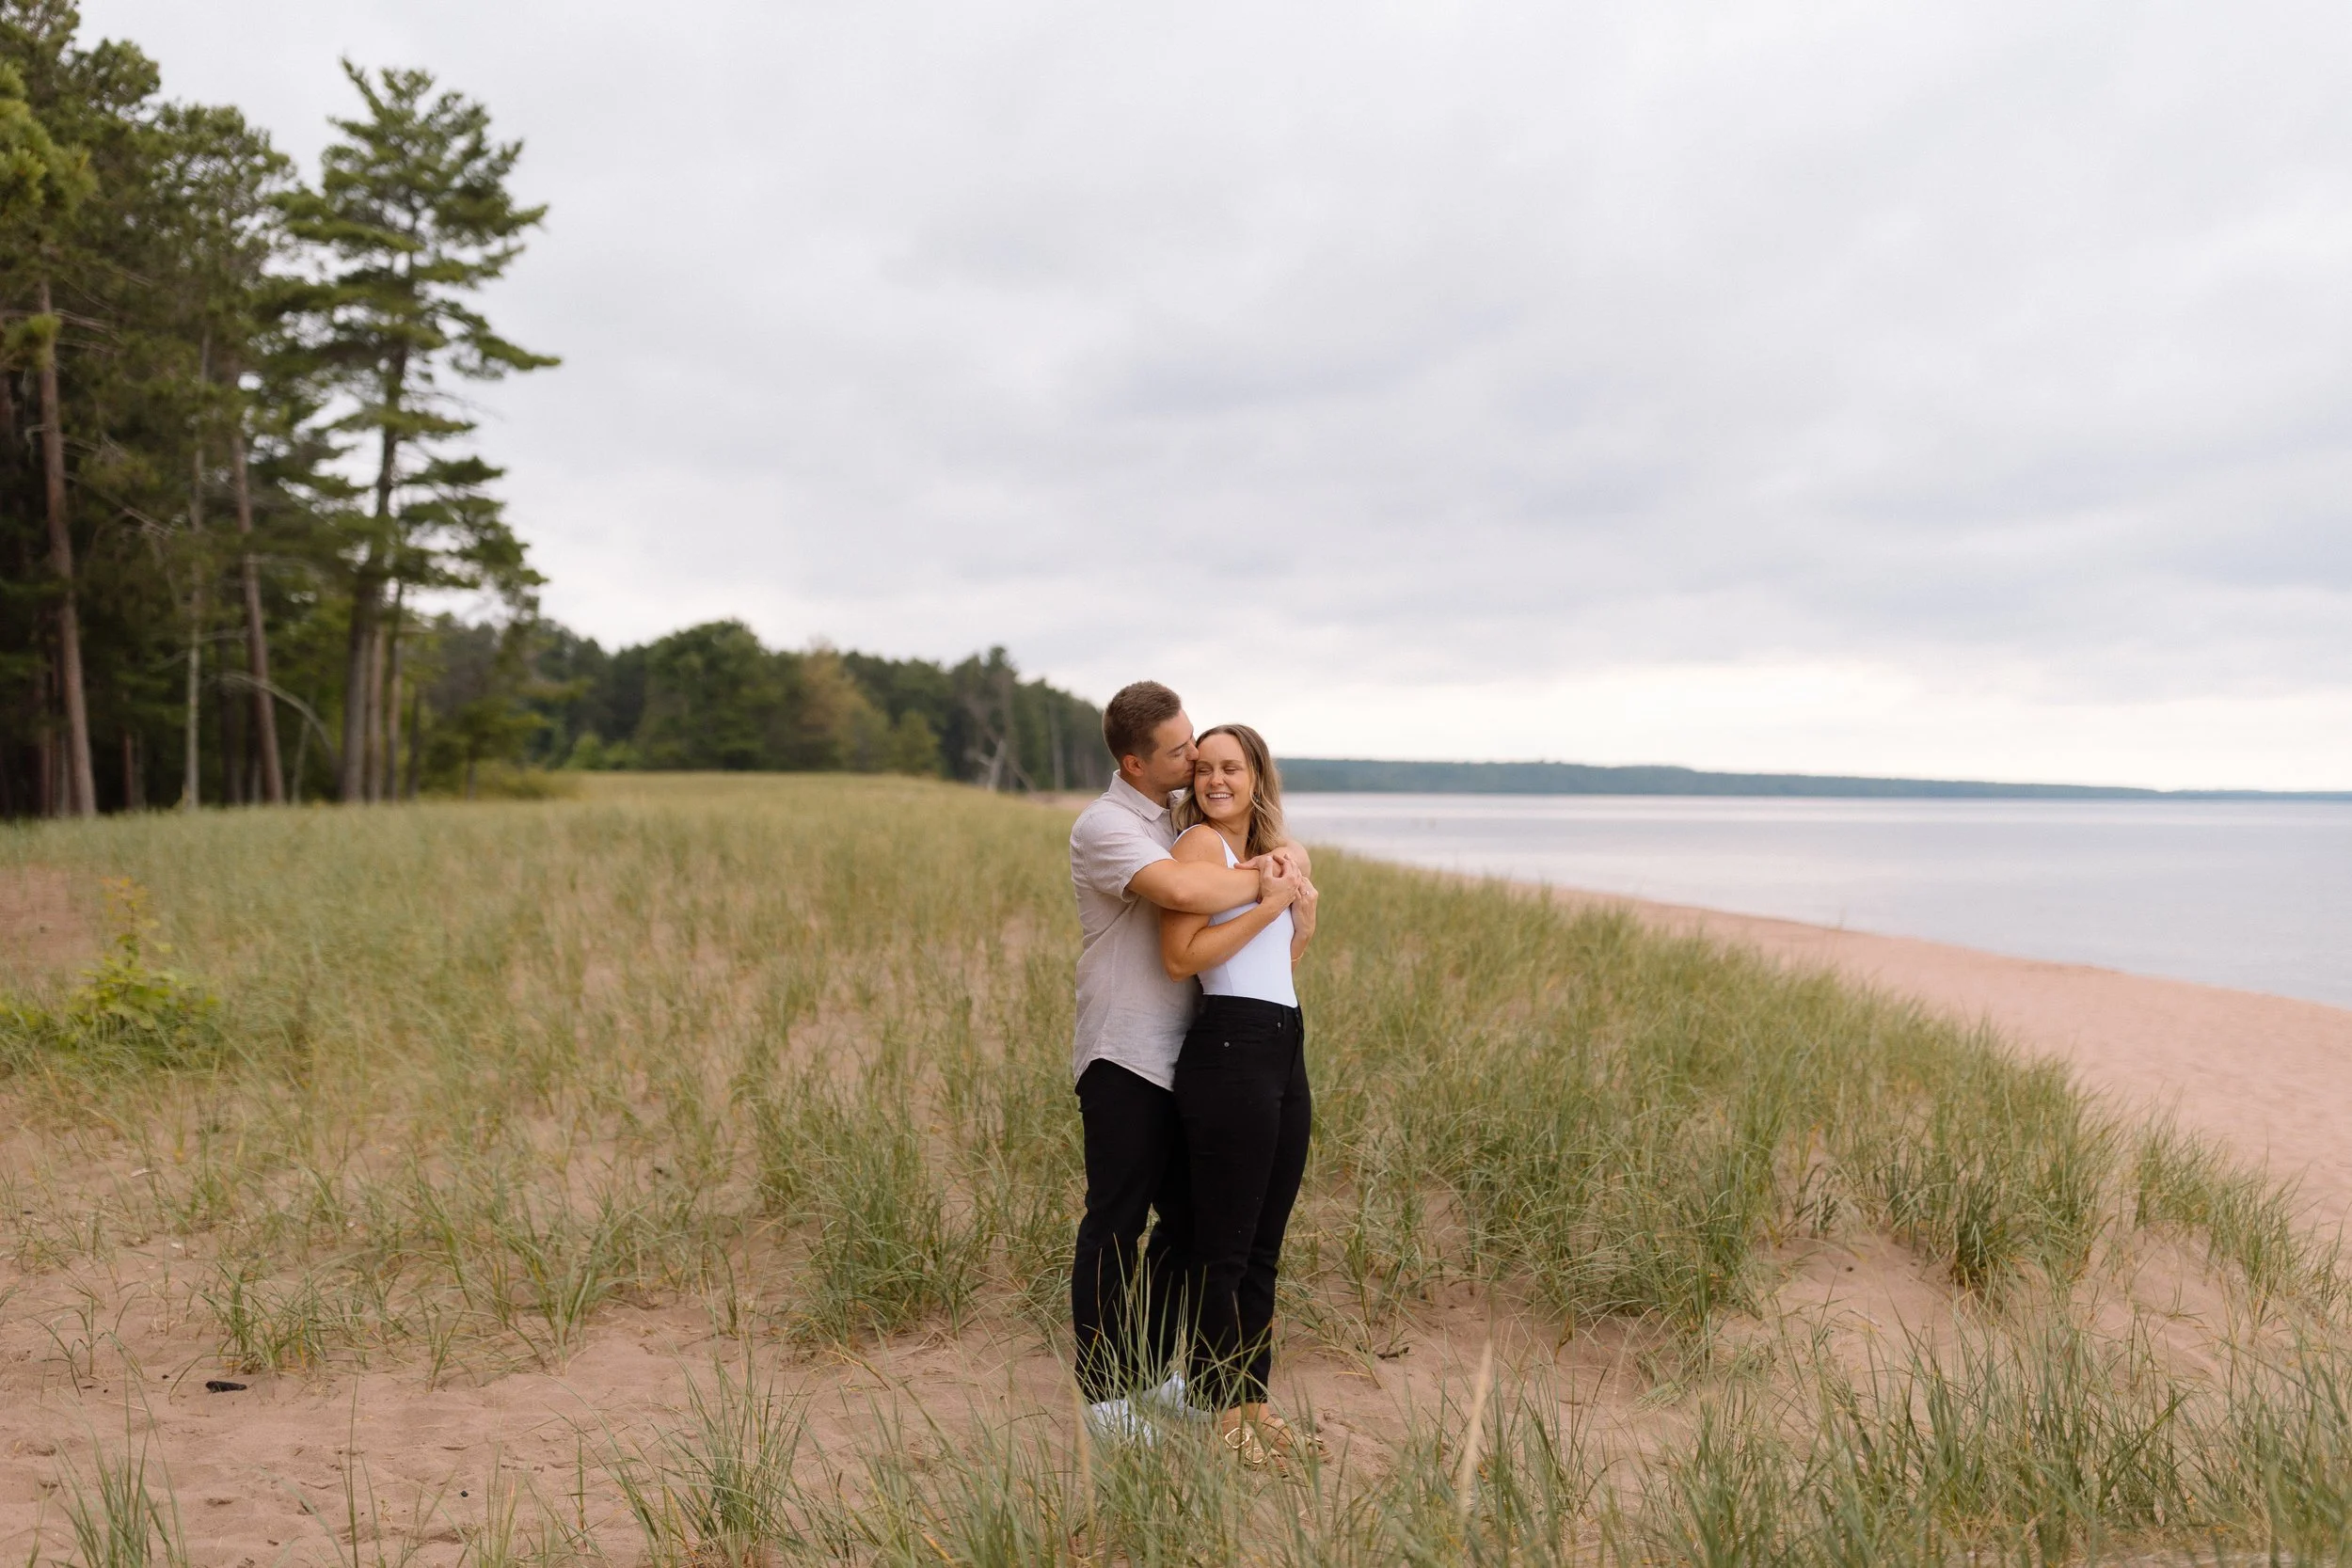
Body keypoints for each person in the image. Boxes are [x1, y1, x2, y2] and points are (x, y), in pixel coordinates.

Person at [1067, 682, 1309, 1443]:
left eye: (1202, 750)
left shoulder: (1177, 815)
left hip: (1186, 1054)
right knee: (1116, 1220)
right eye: (1182, 753)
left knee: (1189, 1226)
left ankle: (1164, 1380)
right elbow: (1179, 888)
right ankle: (1106, 1399)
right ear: (1136, 761)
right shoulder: (1107, 826)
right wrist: (1276, 883)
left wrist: (1286, 860)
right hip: (1125, 1051)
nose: (1197, 763)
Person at [1158, 723, 1326, 1474]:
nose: (1216, 780)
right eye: (1205, 769)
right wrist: (1269, 897)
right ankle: (1224, 1409)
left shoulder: (1269, 852)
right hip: (1229, 1045)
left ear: (1258, 775)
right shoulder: (1199, 847)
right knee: (1223, 1249)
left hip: (1283, 1044)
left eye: (1232, 767)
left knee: (1263, 1245)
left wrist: (1296, 889)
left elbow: (1285, 953)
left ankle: (1254, 1401)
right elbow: (1180, 957)